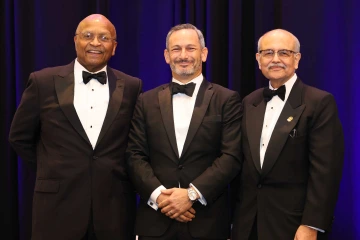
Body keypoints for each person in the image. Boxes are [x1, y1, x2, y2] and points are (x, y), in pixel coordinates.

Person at [9, 14, 142, 240]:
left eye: (104, 37)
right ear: (75, 41)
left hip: (114, 209)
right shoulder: (43, 81)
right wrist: (53, 166)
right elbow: (19, 137)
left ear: (114, 47)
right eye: (87, 35)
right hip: (56, 208)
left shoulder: (131, 86)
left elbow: (135, 143)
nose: (95, 43)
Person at [126, 23, 242, 240]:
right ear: (166, 56)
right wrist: (161, 197)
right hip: (155, 220)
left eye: (190, 48)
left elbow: (231, 156)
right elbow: (134, 155)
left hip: (207, 222)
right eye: (176, 49)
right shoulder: (146, 100)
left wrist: (191, 195)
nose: (183, 55)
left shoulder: (227, 99)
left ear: (204, 53)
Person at [231, 29, 344, 240]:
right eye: (268, 53)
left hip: (294, 226)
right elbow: (240, 166)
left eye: (284, 53)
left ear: (297, 59)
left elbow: (325, 172)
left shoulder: (319, 103)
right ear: (258, 59)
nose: (275, 60)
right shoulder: (249, 102)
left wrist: (312, 224)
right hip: (247, 224)